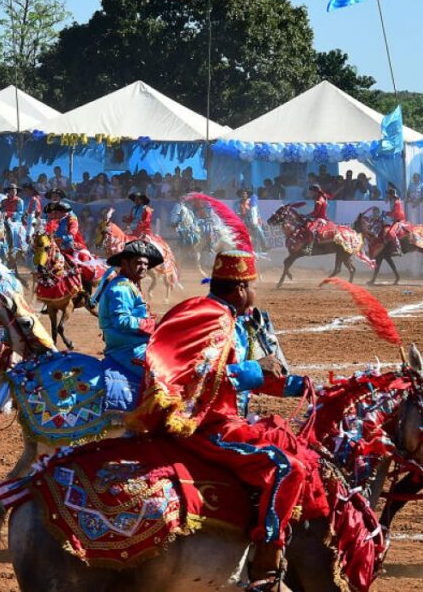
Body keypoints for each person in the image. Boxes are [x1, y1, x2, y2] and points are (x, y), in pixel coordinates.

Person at [128, 250, 326, 590]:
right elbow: (199, 375)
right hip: (204, 425)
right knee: (286, 468)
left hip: (223, 417)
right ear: (238, 289)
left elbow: (237, 374)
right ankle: (267, 563)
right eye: (251, 286)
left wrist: (299, 386)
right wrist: (254, 368)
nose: (255, 293)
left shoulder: (219, 315)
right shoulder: (213, 318)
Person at [93, 240, 162, 406]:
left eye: (146, 264)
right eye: (138, 263)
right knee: (165, 374)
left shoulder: (129, 285)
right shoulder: (122, 288)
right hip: (128, 350)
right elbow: (122, 321)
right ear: (124, 263)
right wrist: (153, 325)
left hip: (134, 345)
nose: (143, 267)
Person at [384, 185, 407, 255]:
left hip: (399, 221)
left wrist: (386, 213)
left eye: (387, 194)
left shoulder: (396, 202)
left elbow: (395, 213)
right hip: (395, 220)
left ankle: (398, 249)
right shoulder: (392, 201)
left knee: (391, 233)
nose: (386, 196)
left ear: (390, 195)